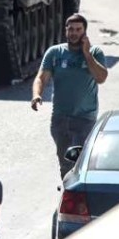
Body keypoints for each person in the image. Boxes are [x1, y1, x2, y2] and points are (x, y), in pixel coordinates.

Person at [32, 13, 108, 177]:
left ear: (85, 32)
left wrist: (87, 54)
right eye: (70, 29)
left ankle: (80, 197)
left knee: (80, 162)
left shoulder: (95, 52)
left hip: (84, 120)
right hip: (60, 119)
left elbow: (101, 78)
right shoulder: (55, 53)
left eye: (78, 29)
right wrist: (36, 95)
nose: (74, 33)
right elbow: (41, 77)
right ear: (66, 31)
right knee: (65, 163)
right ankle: (69, 196)